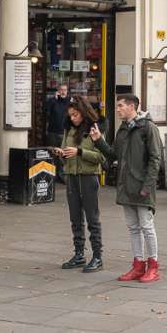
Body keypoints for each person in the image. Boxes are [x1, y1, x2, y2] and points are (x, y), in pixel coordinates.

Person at [89, 94, 163, 284]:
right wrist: (99, 141)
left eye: (121, 106)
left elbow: (156, 159)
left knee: (147, 226)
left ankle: (153, 266)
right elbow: (114, 154)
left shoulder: (148, 128)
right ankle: (138, 265)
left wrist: (148, 185)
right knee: (133, 228)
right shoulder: (123, 129)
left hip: (142, 186)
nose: (118, 109)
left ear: (132, 107)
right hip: (126, 185)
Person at [56, 95, 105, 273]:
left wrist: (80, 152)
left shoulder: (94, 130)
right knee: (75, 218)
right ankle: (79, 254)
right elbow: (65, 152)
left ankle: (97, 256)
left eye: (76, 114)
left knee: (92, 218)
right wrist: (62, 154)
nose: (73, 118)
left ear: (84, 113)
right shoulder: (68, 130)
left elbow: (102, 157)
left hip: (88, 176)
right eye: (70, 115)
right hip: (71, 176)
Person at [44, 84, 71, 184]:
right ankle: (53, 176)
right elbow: (46, 110)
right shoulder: (53, 101)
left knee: (64, 155)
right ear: (58, 91)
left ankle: (63, 176)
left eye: (65, 90)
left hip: (64, 132)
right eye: (61, 90)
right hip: (53, 132)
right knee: (53, 154)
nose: (63, 92)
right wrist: (53, 99)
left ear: (67, 91)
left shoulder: (69, 101)